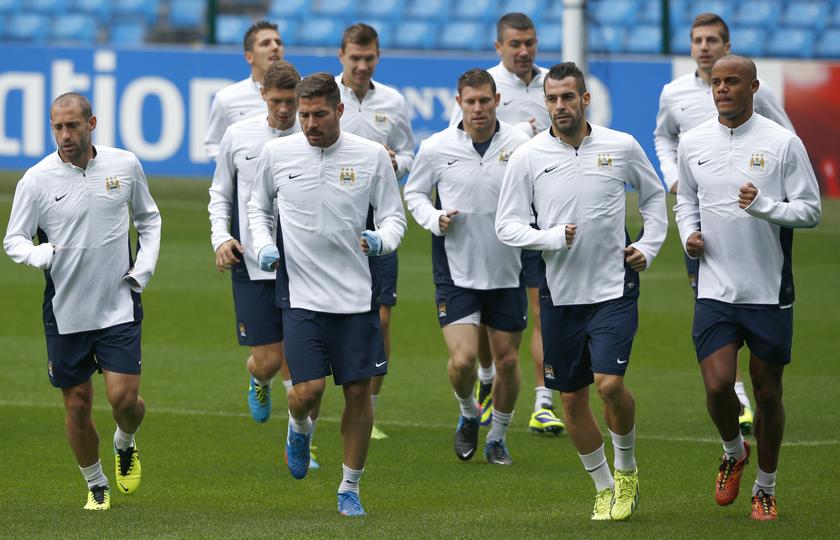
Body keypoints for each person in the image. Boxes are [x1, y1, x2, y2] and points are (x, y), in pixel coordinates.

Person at [496, 62, 667, 521]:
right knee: (571, 399)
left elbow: (654, 195)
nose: (559, 106)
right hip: (560, 292)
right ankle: (603, 485)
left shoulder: (621, 145)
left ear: (584, 99)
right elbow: (507, 224)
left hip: (613, 286)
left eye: (567, 98)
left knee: (609, 384)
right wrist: (550, 237)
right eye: (551, 99)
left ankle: (627, 469)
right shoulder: (529, 156)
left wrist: (648, 245)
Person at [248, 73, 406, 517]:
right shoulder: (277, 154)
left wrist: (380, 240)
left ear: (339, 111)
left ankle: (349, 488)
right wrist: (262, 243)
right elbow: (257, 207)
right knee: (307, 392)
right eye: (303, 115)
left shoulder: (372, 156)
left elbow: (395, 219)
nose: (310, 123)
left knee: (358, 394)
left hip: (357, 300)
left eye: (319, 114)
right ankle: (298, 428)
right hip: (301, 297)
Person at [674, 55, 821, 521]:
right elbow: (684, 200)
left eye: (732, 81)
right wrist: (689, 235)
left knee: (769, 393)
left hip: (768, 291)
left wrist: (765, 207)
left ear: (753, 87)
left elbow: (810, 210)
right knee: (718, 386)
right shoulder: (693, 141)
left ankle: (766, 486)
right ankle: (734, 451)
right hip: (715, 287)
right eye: (716, 82)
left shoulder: (782, 143)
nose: (722, 89)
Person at [3, 93, 161, 510]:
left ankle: (125, 441)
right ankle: (96, 485)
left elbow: (149, 218)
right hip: (66, 311)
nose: (65, 135)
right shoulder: (36, 180)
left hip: (118, 303)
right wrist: (38, 254)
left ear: (92, 123)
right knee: (77, 405)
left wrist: (142, 269)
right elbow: (13, 239)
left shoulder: (124, 165)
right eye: (57, 127)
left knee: (124, 400)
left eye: (73, 125)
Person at [654, 13, 794, 435]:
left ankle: (745, 396)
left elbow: (785, 135)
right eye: (697, 39)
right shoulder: (673, 92)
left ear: (726, 43)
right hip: (700, 217)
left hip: (754, 225)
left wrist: (774, 198)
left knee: (746, 296)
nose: (703, 46)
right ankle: (732, 394)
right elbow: (663, 137)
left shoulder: (757, 89)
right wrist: (672, 178)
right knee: (711, 296)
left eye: (712, 39)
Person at [405, 68, 530, 465]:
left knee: (508, 360)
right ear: (458, 103)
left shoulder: (521, 142)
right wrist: (433, 217)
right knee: (462, 362)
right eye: (470, 102)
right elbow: (414, 192)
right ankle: (467, 413)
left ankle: (498, 437)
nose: (478, 109)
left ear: (497, 100)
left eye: (484, 101)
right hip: (456, 268)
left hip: (508, 265)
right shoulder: (436, 147)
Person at [449, 12, 563, 435]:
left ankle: (543, 401)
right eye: (515, 43)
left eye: (530, 42)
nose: (524, 50)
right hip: (496, 227)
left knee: (542, 309)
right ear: (499, 47)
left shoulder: (553, 85)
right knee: (480, 318)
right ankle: (484, 376)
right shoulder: (484, 90)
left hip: (542, 218)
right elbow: (456, 147)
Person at [208, 60, 324, 467]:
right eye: (276, 101)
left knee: (304, 364)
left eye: (291, 101)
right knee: (270, 360)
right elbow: (220, 192)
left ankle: (302, 442)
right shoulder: (238, 137)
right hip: (252, 263)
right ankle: (258, 379)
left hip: (303, 267)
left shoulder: (312, 138)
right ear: (263, 96)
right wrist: (221, 237)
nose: (284, 110)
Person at [334, 22, 415, 440]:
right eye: (355, 58)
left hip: (379, 218)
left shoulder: (394, 102)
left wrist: (394, 163)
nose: (362, 65)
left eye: (369, 58)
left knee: (381, 317)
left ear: (378, 57)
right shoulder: (326, 98)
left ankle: (370, 409)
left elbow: (408, 153)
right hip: (332, 218)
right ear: (341, 56)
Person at [204, 20, 284, 160]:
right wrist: (235, 166)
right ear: (249, 56)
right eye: (265, 43)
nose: (275, 47)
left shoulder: (303, 91)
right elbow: (213, 144)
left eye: (278, 42)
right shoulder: (227, 98)